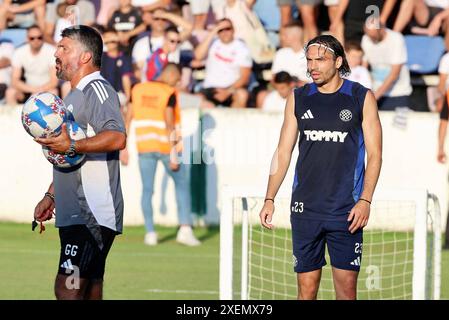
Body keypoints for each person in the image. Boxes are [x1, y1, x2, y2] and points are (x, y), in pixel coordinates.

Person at [259, 35, 382, 300]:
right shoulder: (298, 97)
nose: (313, 66)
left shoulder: (361, 97)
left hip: (346, 210)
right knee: (306, 291)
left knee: (347, 291)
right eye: (309, 60)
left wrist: (365, 200)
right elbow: (283, 151)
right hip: (305, 209)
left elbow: (375, 155)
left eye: (321, 59)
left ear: (338, 61)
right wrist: (269, 197)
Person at [33, 25, 127, 300]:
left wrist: (72, 144)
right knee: (89, 289)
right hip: (75, 210)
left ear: (85, 57)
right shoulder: (72, 96)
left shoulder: (97, 89)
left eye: (64, 48)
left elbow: (117, 136)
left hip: (92, 211)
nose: (56, 53)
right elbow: (70, 154)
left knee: (68, 288)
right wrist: (51, 194)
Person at [122, 63, 201, 246]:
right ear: (171, 75)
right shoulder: (168, 92)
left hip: (144, 146)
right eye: (178, 78)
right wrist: (174, 153)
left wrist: (123, 148)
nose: (179, 82)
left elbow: (128, 118)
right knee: (182, 184)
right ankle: (185, 229)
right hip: (166, 148)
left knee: (147, 190)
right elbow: (169, 123)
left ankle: (150, 233)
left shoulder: (138, 89)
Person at [194, 18, 252, 108]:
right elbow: (198, 56)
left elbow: (244, 77)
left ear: (233, 30)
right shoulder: (212, 43)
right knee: (197, 99)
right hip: (210, 88)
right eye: (221, 30)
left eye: (227, 29)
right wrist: (213, 32)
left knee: (242, 95)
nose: (224, 32)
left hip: (232, 89)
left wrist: (228, 91)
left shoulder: (242, 48)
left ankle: (233, 122)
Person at [361, 17, 412, 110]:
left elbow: (394, 73)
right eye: (368, 35)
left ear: (382, 29)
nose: (371, 39)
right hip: (374, 92)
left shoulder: (396, 38)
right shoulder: (366, 39)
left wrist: (376, 96)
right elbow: (364, 67)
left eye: (373, 36)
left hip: (397, 93)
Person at [6, 25, 58, 106]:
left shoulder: (51, 51)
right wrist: (33, 90)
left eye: (39, 37)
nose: (36, 40)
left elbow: (54, 81)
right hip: (27, 88)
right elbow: (14, 81)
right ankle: (12, 118)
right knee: (10, 92)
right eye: (32, 38)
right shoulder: (19, 52)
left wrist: (39, 91)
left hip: (47, 89)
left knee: (54, 92)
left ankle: (55, 118)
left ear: (43, 38)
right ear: (27, 39)